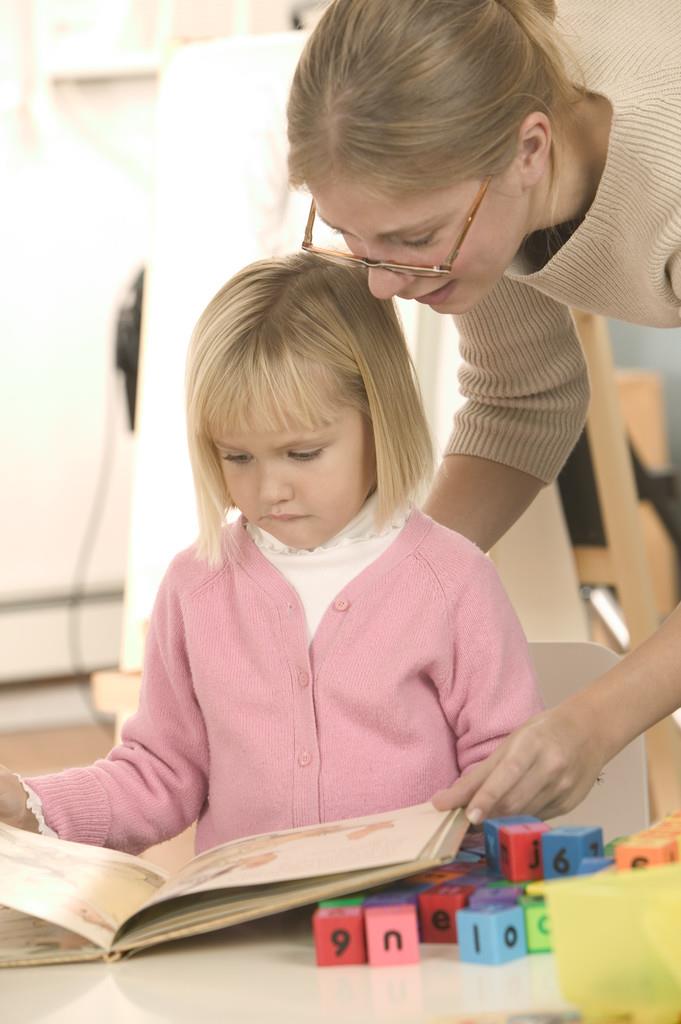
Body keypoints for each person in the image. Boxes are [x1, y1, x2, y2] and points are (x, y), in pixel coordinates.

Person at [0, 254, 542, 855]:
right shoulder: (195, 588)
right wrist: (31, 806)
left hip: (411, 928)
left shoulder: (455, 581)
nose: (269, 489)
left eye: (302, 454)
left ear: (379, 417)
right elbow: (159, 774)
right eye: (238, 457)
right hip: (245, 935)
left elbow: (506, 776)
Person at [286, 0, 681, 823]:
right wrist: (394, 589)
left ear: (529, 151)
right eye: (358, 238)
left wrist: (592, 723)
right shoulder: (494, 114)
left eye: (413, 236)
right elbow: (522, 397)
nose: (383, 283)